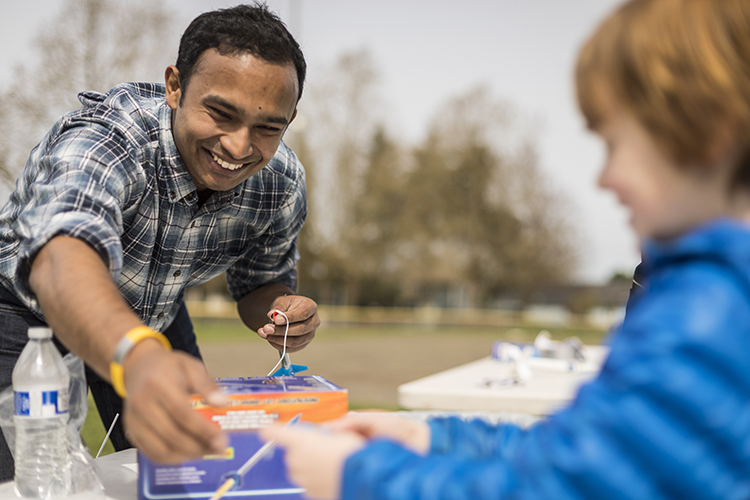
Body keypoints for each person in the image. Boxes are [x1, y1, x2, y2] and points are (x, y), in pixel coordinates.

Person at [260, 0, 750, 498]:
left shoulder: (707, 320)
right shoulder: (710, 299)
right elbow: (591, 454)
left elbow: (558, 490)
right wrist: (430, 436)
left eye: (619, 144)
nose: (607, 178)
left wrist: (356, 478)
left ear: (709, 134)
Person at [0, 3, 320, 480]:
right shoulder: (108, 141)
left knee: (189, 470)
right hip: (22, 311)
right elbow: (59, 261)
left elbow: (261, 284)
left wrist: (284, 308)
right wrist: (138, 354)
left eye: (268, 127)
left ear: (289, 118)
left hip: (154, 316)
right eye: (220, 113)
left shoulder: (281, 182)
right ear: (175, 87)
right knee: (25, 481)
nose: (238, 146)